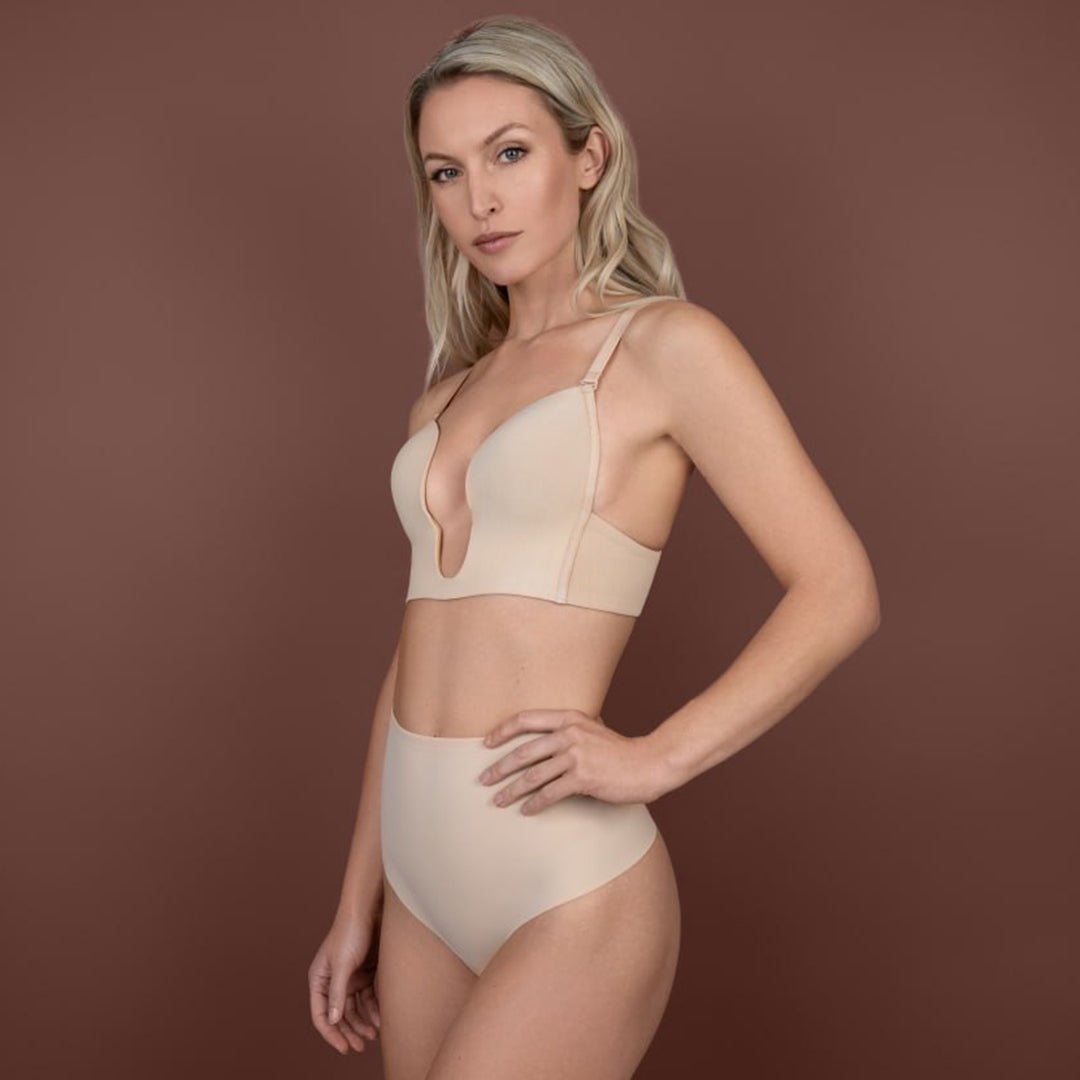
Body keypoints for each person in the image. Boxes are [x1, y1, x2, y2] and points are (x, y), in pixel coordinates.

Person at [307, 14, 880, 1079]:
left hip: (564, 881)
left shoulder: (666, 348)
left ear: (589, 156)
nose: (478, 201)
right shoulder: (447, 396)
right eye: (446, 172)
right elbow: (418, 651)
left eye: (509, 154)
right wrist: (359, 900)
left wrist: (655, 756)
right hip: (421, 884)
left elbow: (839, 588)